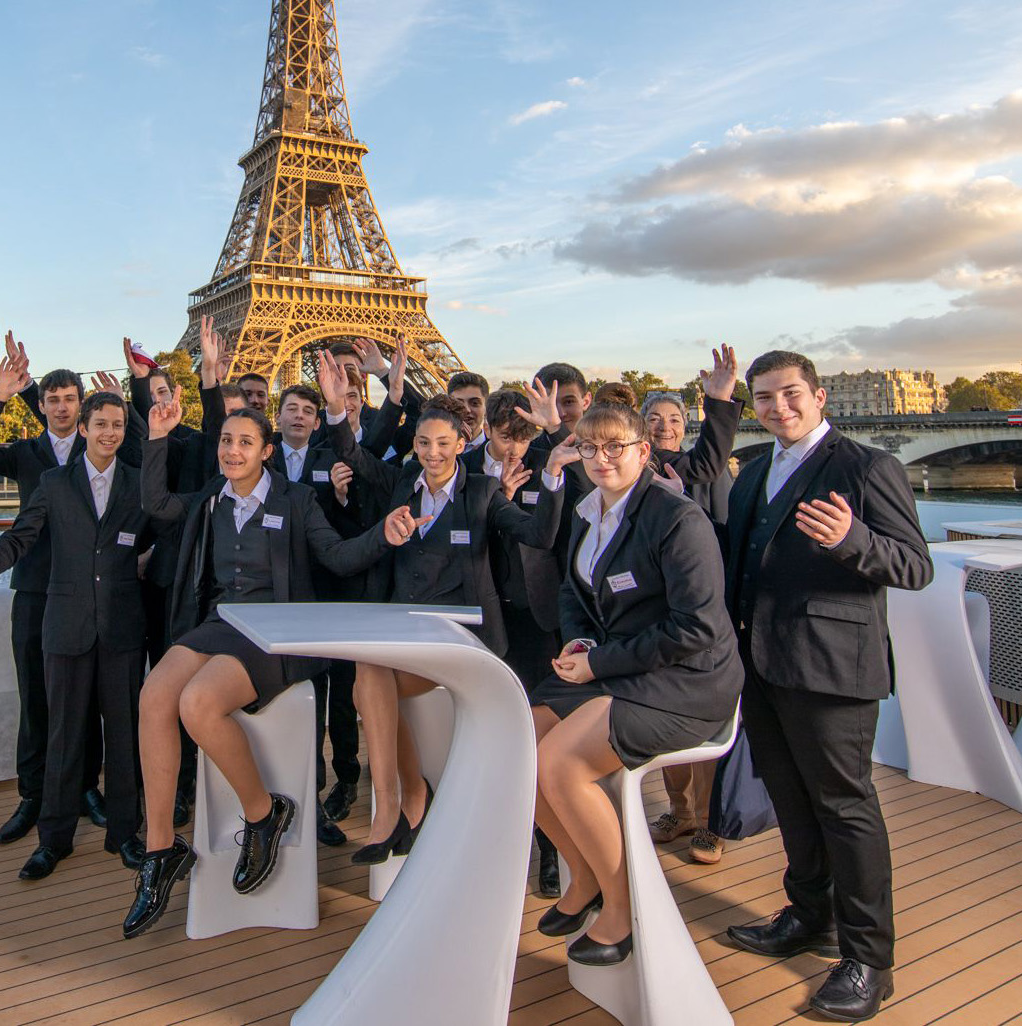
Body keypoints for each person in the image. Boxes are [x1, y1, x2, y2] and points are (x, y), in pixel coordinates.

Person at [123, 387, 417, 938]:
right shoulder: (213, 497)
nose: (232, 450)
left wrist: (385, 534)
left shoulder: (296, 500)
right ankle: (161, 850)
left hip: (278, 634)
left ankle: (262, 814)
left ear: (267, 450)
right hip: (220, 623)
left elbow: (337, 555)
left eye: (245, 442)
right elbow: (158, 507)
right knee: (154, 696)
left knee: (197, 702)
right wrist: (158, 437)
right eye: (226, 441)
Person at [720, 350, 933, 1022]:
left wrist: (853, 540)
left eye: (788, 395)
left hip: (831, 665)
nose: (776, 408)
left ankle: (869, 957)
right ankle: (809, 913)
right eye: (762, 399)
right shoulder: (752, 473)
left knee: (845, 805)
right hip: (761, 662)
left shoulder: (869, 467)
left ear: (818, 397)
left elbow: (914, 566)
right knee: (790, 797)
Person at [317, 347, 572, 865]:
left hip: (465, 638)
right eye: (424, 443)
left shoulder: (481, 492)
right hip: (410, 632)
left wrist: (551, 478)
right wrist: (336, 409)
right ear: (414, 443)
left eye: (443, 443)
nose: (433, 453)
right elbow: (355, 453)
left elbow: (539, 535)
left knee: (374, 679)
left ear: (462, 443)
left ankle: (404, 803)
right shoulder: (397, 484)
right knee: (371, 669)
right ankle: (397, 803)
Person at [529, 401, 744, 967]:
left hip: (684, 681)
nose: (602, 459)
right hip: (623, 666)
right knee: (518, 744)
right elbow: (573, 592)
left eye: (615, 447)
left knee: (559, 764)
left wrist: (599, 665)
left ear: (643, 451)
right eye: (589, 448)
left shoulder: (676, 519)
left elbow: (696, 628)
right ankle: (585, 876)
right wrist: (578, 645)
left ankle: (622, 909)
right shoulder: (588, 511)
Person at [0, 389, 153, 881]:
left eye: (118, 425)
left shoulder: (140, 484)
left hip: (123, 626)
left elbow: (160, 532)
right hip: (65, 626)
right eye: (101, 424)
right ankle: (54, 839)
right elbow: (21, 536)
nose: (110, 433)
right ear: (83, 429)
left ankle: (125, 834)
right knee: (64, 735)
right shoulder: (52, 481)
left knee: (125, 738)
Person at [638, 353, 742, 867]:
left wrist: (721, 403)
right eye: (654, 419)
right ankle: (680, 810)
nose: (664, 427)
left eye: (674, 419)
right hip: (657, 608)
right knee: (665, 712)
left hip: (705, 607)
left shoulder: (707, 468)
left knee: (706, 718)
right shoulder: (641, 469)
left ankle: (709, 820)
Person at [123, 322, 229, 827]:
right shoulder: (148, 440)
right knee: (152, 690)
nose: (160, 401)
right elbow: (144, 446)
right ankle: (158, 788)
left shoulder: (195, 442)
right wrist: (141, 386)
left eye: (167, 392)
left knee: (184, 689)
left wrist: (210, 374)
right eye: (153, 395)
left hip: (195, 585)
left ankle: (187, 785)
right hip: (155, 579)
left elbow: (215, 432)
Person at [463, 386, 567, 896]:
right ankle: (491, 841)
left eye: (523, 442)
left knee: (538, 735)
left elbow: (553, 531)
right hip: (479, 617)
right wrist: (493, 498)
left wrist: (553, 436)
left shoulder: (547, 462)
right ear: (486, 429)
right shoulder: (458, 464)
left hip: (533, 616)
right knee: (488, 734)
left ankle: (548, 846)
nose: (514, 452)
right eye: (506, 439)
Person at [266, 378, 373, 845]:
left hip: (329, 590)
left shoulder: (334, 460)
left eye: (308, 412)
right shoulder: (259, 457)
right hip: (279, 594)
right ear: (279, 415)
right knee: (297, 698)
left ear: (316, 420)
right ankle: (303, 795)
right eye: (291, 409)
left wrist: (342, 496)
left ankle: (345, 779)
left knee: (343, 694)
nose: (298, 417)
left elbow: (351, 526)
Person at [445, 369, 490, 449]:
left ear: (486, 407)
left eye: (474, 403)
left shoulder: (499, 454)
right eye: (458, 404)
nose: (466, 410)